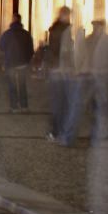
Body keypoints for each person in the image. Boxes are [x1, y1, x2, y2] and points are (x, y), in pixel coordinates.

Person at [45, 7, 77, 144]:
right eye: (68, 15)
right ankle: (58, 132)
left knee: (58, 103)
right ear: (64, 15)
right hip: (61, 70)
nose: (70, 17)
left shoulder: (55, 28)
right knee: (62, 103)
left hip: (55, 68)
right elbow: (65, 51)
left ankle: (56, 131)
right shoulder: (63, 30)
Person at [0, 13, 34, 113]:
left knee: (12, 85)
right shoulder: (26, 34)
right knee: (22, 85)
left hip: (10, 63)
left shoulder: (7, 34)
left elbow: (1, 47)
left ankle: (14, 107)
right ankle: (24, 106)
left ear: (13, 20)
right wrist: (27, 60)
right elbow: (31, 50)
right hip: (22, 63)